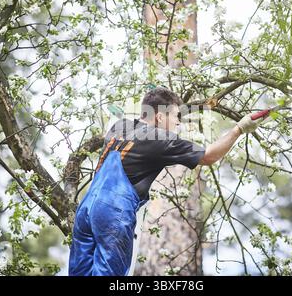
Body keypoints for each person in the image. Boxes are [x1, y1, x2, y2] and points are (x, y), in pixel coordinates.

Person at [68, 87, 264, 276]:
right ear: (160, 117)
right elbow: (209, 156)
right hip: (113, 212)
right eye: (175, 117)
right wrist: (239, 129)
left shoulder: (119, 126)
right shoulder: (160, 139)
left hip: (86, 209)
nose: (178, 123)